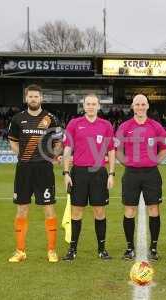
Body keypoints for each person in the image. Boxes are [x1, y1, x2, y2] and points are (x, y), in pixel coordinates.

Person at [7, 84, 62, 263]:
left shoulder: (50, 118)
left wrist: (53, 155)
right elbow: (13, 141)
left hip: (43, 169)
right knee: (22, 209)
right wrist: (22, 155)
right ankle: (20, 251)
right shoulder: (17, 119)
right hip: (24, 169)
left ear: (41, 99)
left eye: (36, 97)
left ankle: (52, 250)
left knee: (48, 208)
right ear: (26, 99)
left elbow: (58, 142)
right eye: (30, 97)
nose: (33, 99)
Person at [62, 93, 115, 261]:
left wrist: (111, 173)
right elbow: (67, 149)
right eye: (88, 104)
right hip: (79, 172)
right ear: (83, 106)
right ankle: (72, 250)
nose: (91, 106)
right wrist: (66, 173)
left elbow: (111, 150)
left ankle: (102, 249)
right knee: (76, 211)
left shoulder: (106, 125)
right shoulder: (74, 123)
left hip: (99, 173)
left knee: (99, 211)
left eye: (94, 104)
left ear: (99, 106)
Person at [115, 94, 166, 261]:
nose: (140, 107)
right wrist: (127, 163)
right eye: (137, 104)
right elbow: (118, 150)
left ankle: (153, 247)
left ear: (147, 106)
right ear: (132, 106)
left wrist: (155, 161)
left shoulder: (156, 126)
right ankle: (129, 248)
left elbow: (164, 148)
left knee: (154, 209)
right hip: (131, 174)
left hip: (151, 174)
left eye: (143, 104)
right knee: (130, 210)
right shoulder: (124, 126)